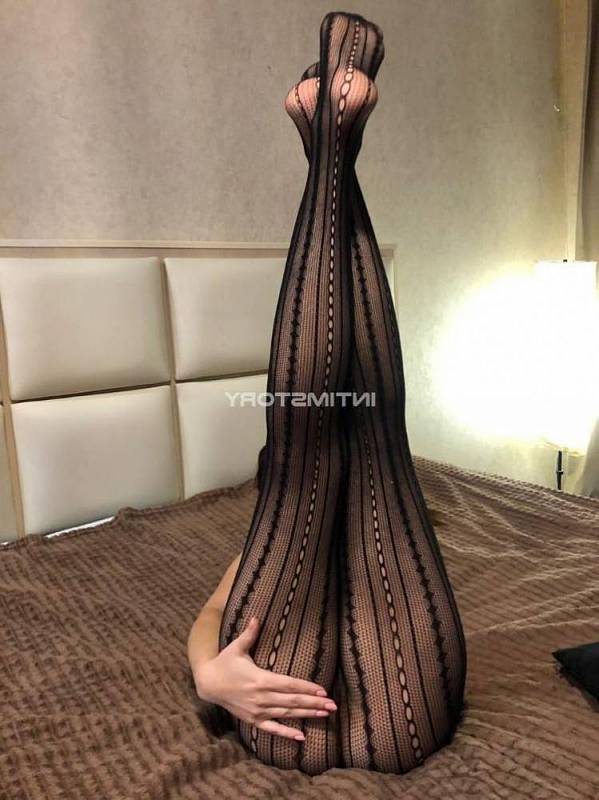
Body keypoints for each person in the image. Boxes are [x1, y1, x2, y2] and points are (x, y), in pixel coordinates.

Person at [188, 11, 466, 775]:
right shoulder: (280, 519)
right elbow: (212, 614)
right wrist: (209, 675)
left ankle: (329, 149)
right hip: (333, 707)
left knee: (337, 456)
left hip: (307, 715)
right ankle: (332, 147)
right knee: (349, 451)